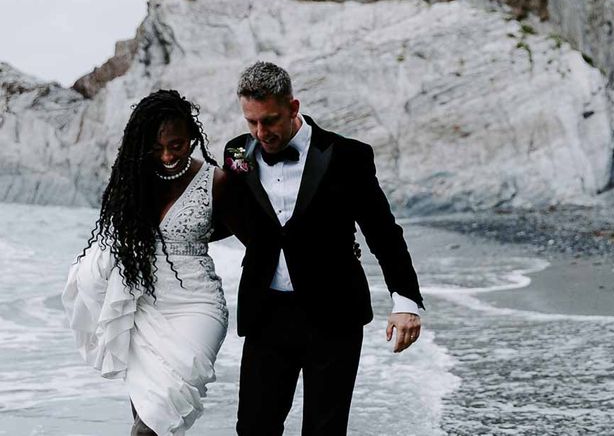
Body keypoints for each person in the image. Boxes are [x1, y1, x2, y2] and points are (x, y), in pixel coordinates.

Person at [216, 61, 424, 436]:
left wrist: (405, 300)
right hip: (266, 314)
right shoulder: (237, 153)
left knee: (325, 430)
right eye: (251, 122)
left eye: (270, 120)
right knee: (253, 428)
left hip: (334, 315)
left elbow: (383, 232)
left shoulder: (347, 156)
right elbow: (233, 219)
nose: (260, 132)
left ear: (293, 108)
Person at [62, 90, 232, 436]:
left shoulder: (216, 181)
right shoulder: (135, 179)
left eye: (177, 145)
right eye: (157, 148)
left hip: (197, 303)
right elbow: (115, 236)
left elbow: (250, 231)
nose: (168, 155)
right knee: (150, 422)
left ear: (192, 139)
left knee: (152, 424)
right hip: (142, 303)